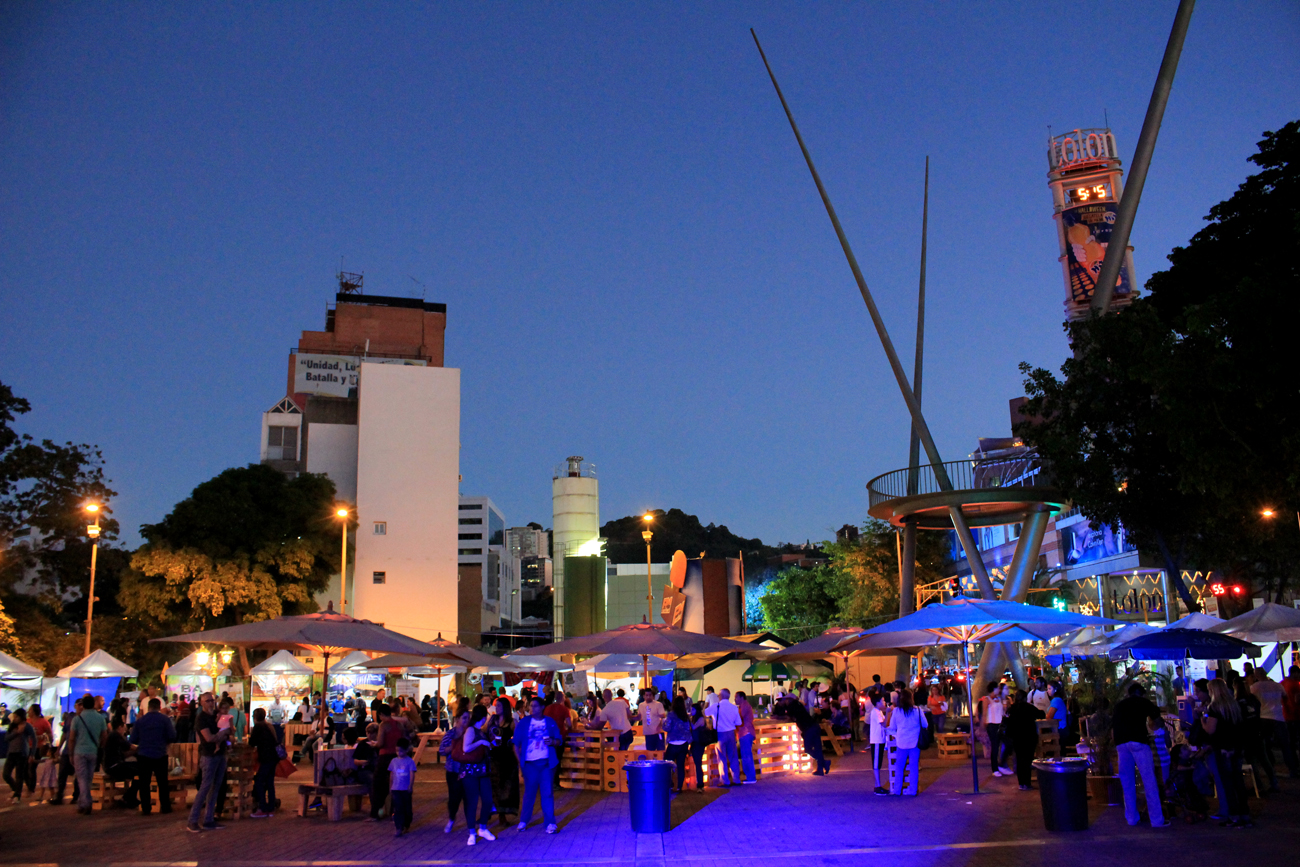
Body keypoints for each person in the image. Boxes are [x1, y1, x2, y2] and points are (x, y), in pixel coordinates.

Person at [1111, 682, 1168, 828]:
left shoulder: (1119, 705)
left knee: (1127, 781)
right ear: (1142, 693)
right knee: (1149, 780)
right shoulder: (1144, 702)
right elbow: (1157, 722)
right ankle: (1157, 820)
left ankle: (1131, 818)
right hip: (1139, 742)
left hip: (1121, 743)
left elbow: (1113, 728)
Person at [1203, 678, 1251, 828]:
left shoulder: (1215, 707)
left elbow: (1211, 729)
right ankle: (1245, 814)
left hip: (1222, 747)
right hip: (1235, 747)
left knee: (1228, 783)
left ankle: (1234, 815)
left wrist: (1202, 720)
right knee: (1238, 781)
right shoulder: (1234, 705)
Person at [513, 696, 562, 834]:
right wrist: (520, 763)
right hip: (530, 764)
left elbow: (559, 740)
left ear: (542, 708)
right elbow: (515, 744)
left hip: (546, 762)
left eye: (534, 706)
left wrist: (553, 741)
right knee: (529, 793)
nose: (531, 708)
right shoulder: (524, 723)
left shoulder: (550, 722)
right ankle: (524, 820)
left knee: (547, 793)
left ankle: (550, 823)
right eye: (530, 706)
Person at [187, 692, 233, 831]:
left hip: (220, 754)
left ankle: (209, 819)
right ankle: (193, 820)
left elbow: (228, 730)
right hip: (208, 755)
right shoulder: (201, 718)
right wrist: (223, 734)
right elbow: (209, 738)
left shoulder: (216, 715)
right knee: (205, 787)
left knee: (216, 787)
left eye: (212, 700)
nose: (210, 703)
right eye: (207, 701)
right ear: (201, 702)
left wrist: (226, 734)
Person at [458, 705, 497, 846]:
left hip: (483, 770)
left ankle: (482, 828)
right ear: (483, 717)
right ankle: (472, 833)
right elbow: (466, 748)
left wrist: (491, 743)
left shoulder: (480, 730)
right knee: (472, 802)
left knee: (487, 800)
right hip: (471, 771)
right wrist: (481, 742)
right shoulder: (470, 730)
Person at [1250, 670, 1298, 779]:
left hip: (1264, 717)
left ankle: (1270, 767)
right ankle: (1292, 769)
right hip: (1278, 716)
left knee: (1265, 745)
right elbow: (1285, 698)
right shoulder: (1277, 685)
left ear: (1256, 676)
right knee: (1285, 745)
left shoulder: (1255, 687)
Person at [69, 694, 108, 814]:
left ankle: (86, 803)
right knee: (89, 778)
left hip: (79, 751)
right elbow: (104, 736)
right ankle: (82, 803)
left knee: (81, 778)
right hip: (93, 751)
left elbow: (71, 738)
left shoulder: (77, 719)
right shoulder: (100, 718)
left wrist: (70, 754)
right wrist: (99, 745)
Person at [886, 689, 927, 796]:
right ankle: (913, 790)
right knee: (914, 767)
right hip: (915, 742)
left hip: (901, 742)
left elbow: (892, 727)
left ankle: (897, 790)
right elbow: (925, 724)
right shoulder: (917, 711)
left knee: (899, 767)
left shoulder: (896, 711)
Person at [1004, 690, 1044, 790]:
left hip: (1017, 737)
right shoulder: (1029, 707)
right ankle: (1027, 783)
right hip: (1029, 736)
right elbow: (1041, 714)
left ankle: (1021, 783)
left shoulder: (1012, 709)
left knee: (1020, 759)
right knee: (1027, 760)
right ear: (1025, 698)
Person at [489, 697, 519, 825]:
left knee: (507, 786)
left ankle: (504, 814)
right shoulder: (492, 719)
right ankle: (496, 813)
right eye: (497, 706)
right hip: (494, 757)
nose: (497, 708)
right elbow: (484, 731)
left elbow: (518, 738)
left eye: (500, 706)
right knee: (494, 785)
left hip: (507, 758)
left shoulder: (512, 722)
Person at [369, 704, 401, 821]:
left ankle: (375, 813)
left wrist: (374, 744)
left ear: (381, 714)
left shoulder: (383, 725)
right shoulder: (398, 724)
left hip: (385, 756)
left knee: (377, 784)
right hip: (397, 756)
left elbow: (381, 743)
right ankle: (394, 810)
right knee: (394, 784)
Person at [785, 696, 830, 776]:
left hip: (808, 729)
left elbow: (789, 718)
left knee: (808, 749)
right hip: (815, 726)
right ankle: (820, 769)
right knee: (818, 748)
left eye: (786, 699)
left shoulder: (791, 706)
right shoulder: (799, 704)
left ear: (789, 700)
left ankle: (824, 763)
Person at [104, 717, 143, 810]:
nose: (125, 730)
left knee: (138, 769)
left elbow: (125, 753)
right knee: (141, 772)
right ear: (120, 727)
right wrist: (141, 748)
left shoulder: (113, 735)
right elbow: (129, 747)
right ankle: (128, 797)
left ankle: (130, 797)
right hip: (114, 766)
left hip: (113, 765)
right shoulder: (115, 735)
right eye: (124, 727)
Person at [705, 688, 742, 787]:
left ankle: (725, 780)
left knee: (721, 758)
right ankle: (736, 779)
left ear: (720, 696)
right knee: (733, 757)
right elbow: (739, 722)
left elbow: (705, 713)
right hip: (731, 733)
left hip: (720, 734)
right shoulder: (734, 708)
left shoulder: (715, 706)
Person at [248, 708, 279, 818]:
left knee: (259, 782)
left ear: (255, 717)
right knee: (270, 782)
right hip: (274, 757)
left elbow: (252, 743)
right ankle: (271, 808)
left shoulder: (258, 727)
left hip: (265, 757)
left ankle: (262, 807)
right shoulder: (268, 726)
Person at [5, 709, 35, 804]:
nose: (15, 719)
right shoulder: (12, 726)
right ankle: (15, 789)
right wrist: (17, 732)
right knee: (6, 774)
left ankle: (17, 795)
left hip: (22, 753)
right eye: (14, 717)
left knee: (19, 775)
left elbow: (34, 739)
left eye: (16, 717)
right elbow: (6, 738)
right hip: (11, 753)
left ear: (21, 717)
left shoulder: (27, 726)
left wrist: (32, 754)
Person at [663, 697, 692, 792]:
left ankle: (670, 786)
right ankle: (679, 787)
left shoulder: (671, 714)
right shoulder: (685, 716)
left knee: (668, 766)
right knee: (680, 766)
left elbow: (667, 728)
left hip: (673, 743)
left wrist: (663, 723)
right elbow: (688, 729)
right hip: (683, 743)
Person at [388, 738, 416, 837]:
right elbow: (391, 774)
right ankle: (399, 827)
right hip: (396, 788)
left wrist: (410, 785)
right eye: (397, 751)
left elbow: (412, 773)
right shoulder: (393, 761)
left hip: (405, 788)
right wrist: (390, 786)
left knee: (407, 808)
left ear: (406, 750)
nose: (399, 753)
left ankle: (406, 824)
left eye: (401, 751)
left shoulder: (410, 761)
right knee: (398, 807)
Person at [867, 689, 888, 795]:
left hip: (880, 740)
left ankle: (877, 784)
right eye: (882, 701)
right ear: (877, 702)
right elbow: (883, 724)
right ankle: (878, 786)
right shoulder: (875, 712)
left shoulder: (878, 712)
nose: (884, 703)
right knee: (876, 763)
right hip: (876, 740)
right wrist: (888, 712)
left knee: (878, 762)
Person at [734, 690, 757, 783]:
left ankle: (751, 777)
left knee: (746, 755)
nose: (735, 699)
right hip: (745, 733)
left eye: (736, 697)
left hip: (745, 732)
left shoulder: (744, 706)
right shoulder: (744, 706)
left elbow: (739, 718)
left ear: (742, 697)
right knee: (746, 755)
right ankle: (750, 777)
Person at [688, 701, 710, 790]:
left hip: (699, 743)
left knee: (698, 763)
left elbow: (694, 727)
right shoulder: (694, 718)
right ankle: (699, 783)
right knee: (697, 763)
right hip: (694, 743)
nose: (691, 711)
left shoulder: (701, 718)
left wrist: (688, 720)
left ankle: (700, 784)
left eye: (692, 709)